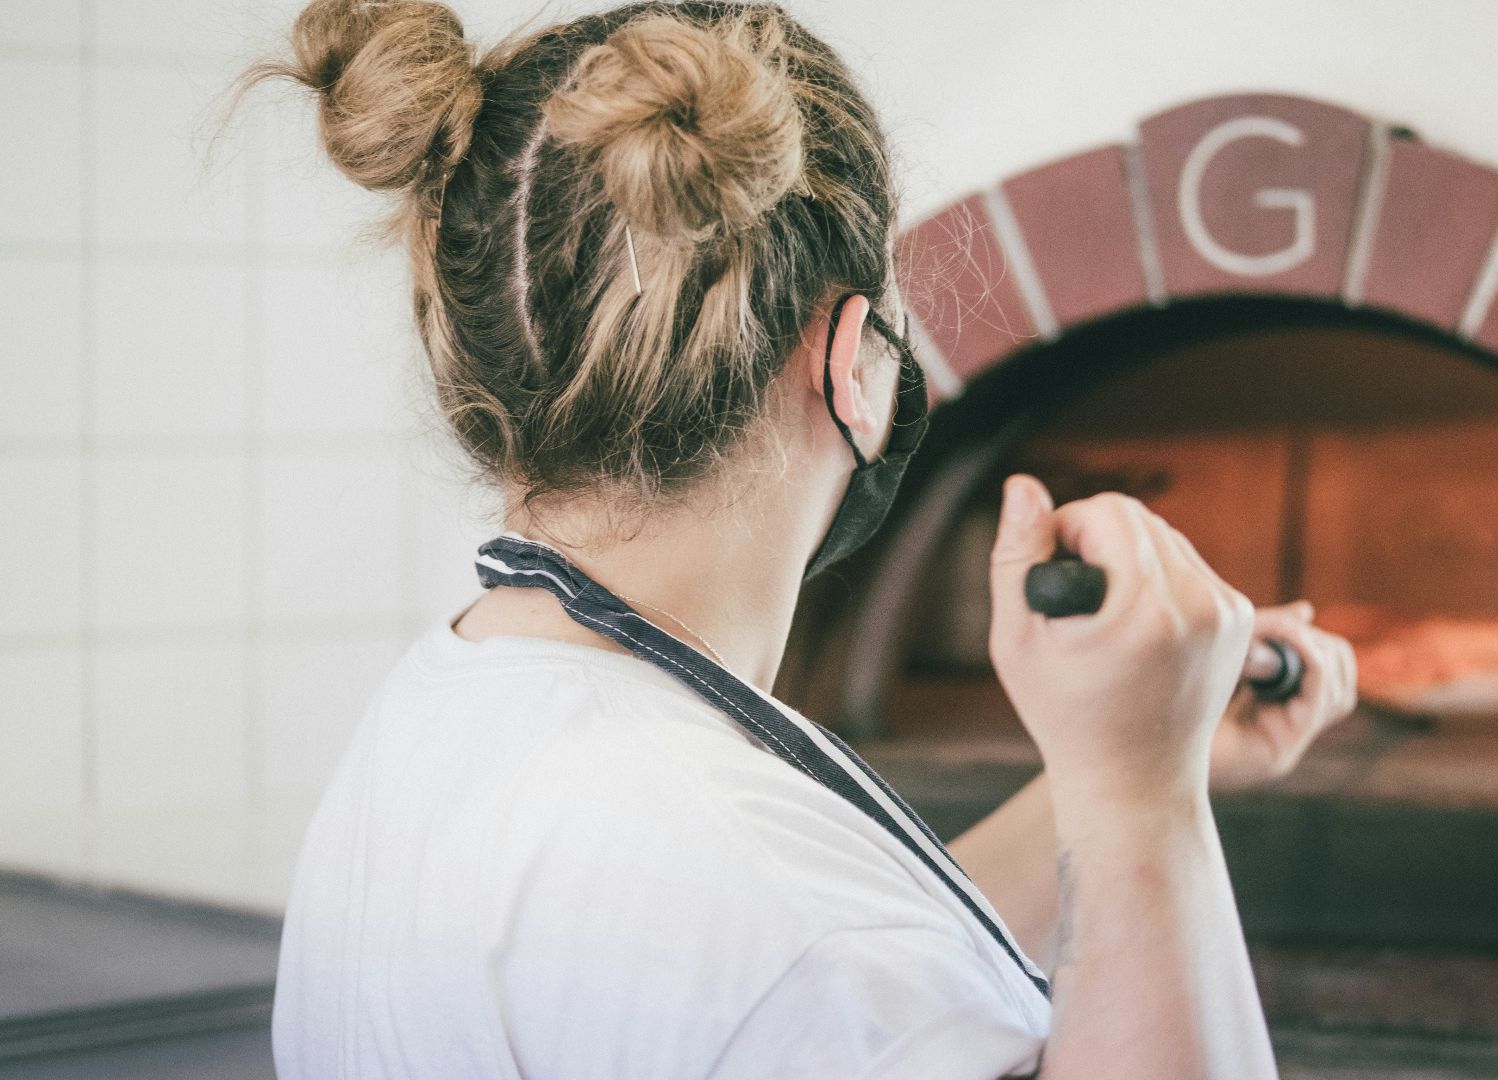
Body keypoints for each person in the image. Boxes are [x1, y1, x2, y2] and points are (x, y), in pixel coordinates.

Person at [250, 1, 1358, 1077]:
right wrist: (1141, 807)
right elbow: (800, 967)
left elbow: (809, 979)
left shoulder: (457, 701)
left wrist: (1136, 760)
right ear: (851, 364)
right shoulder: (753, 904)